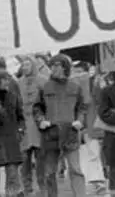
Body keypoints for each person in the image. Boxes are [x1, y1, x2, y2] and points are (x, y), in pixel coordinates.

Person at [33, 54, 88, 197]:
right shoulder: (45, 87)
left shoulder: (75, 87)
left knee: (76, 169)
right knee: (50, 172)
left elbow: (82, 107)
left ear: (65, 67)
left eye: (57, 65)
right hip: (50, 134)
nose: (53, 68)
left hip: (71, 133)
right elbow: (37, 107)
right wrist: (41, 120)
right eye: (52, 65)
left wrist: (80, 121)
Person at [0, 70, 26, 196]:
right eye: (4, 79)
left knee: (12, 173)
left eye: (8, 79)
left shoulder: (13, 96)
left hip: (11, 139)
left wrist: (21, 130)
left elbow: (20, 116)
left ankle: (13, 194)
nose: (7, 81)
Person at [17, 56, 48, 195]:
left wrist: (45, 120)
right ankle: (27, 189)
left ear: (33, 66)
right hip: (23, 125)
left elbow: (48, 103)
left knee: (41, 159)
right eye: (23, 65)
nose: (25, 67)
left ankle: (43, 188)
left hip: (39, 124)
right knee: (24, 160)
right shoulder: (18, 83)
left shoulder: (43, 80)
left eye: (27, 64)